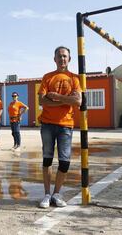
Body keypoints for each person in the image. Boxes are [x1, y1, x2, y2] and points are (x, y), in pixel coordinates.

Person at [38, 46, 82, 208]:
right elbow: (41, 101)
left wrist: (56, 97)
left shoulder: (75, 78)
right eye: (59, 56)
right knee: (47, 160)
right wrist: (66, 100)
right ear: (54, 59)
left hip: (65, 126)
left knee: (64, 162)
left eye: (65, 56)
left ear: (69, 59)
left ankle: (57, 193)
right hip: (47, 124)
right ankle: (47, 194)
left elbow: (78, 101)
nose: (62, 59)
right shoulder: (47, 77)